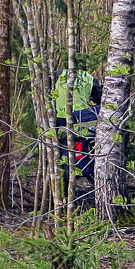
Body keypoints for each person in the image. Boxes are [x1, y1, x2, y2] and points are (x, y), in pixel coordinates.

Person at [53, 68, 102, 206]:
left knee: (64, 158)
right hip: (79, 122)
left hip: (56, 123)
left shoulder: (56, 75)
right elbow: (100, 99)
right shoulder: (88, 77)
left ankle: (62, 195)